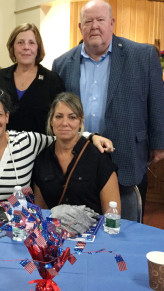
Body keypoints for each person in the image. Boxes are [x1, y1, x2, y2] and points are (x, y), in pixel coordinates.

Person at [52, 0, 164, 218]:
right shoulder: (62, 64)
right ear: (80, 27)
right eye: (88, 21)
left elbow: (157, 102)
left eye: (100, 20)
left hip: (127, 153)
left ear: (112, 23)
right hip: (80, 156)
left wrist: (159, 143)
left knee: (126, 225)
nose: (94, 26)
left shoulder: (142, 56)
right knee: (82, 224)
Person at [0, 88, 114, 204]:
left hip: (20, 232)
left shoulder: (27, 142)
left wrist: (91, 136)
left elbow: (63, 136)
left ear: (7, 116)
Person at [33, 92, 120, 214]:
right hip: (55, 231)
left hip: (94, 231)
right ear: (51, 120)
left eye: (72, 117)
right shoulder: (42, 159)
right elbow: (41, 211)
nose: (64, 123)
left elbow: (112, 214)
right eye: (59, 116)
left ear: (81, 121)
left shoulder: (99, 158)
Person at [0, 23, 63, 134]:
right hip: (5, 147)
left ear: (38, 47)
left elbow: (60, 119)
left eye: (31, 43)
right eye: (20, 43)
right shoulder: (0, 77)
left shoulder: (52, 80)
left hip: (41, 148)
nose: (26, 47)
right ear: (12, 47)